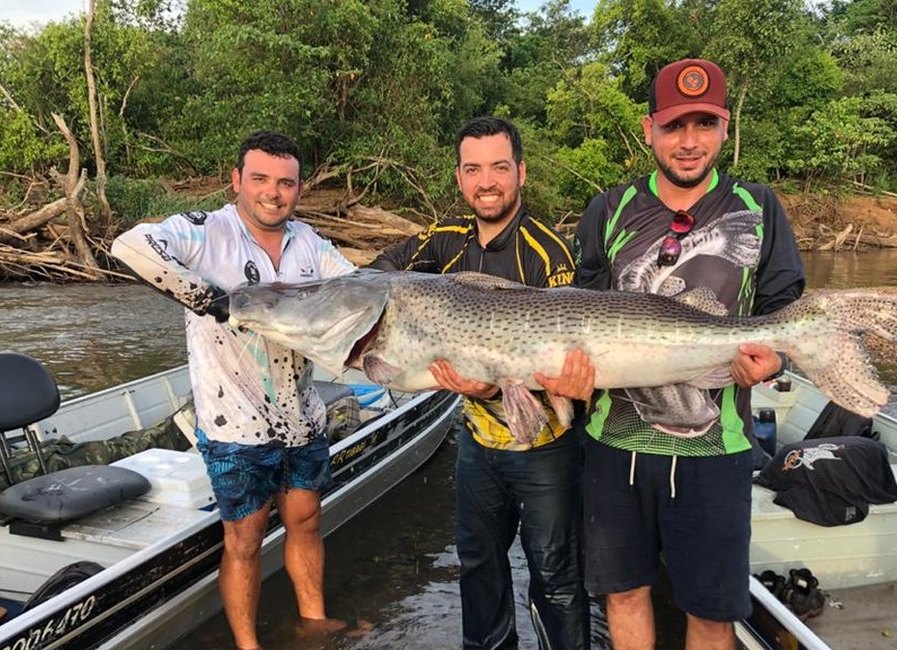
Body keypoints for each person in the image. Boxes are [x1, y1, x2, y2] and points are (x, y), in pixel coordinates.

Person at [568, 59, 806, 648]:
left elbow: (783, 307)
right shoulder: (610, 208)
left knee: (710, 610)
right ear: (650, 130)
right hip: (612, 442)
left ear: (726, 129)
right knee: (623, 593)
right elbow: (580, 311)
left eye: (705, 124)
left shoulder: (758, 204)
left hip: (717, 447)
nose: (690, 141)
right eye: (675, 126)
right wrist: (569, 377)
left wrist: (775, 361)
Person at [111, 131, 360, 650]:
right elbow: (130, 244)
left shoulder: (310, 243)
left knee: (307, 520)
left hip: (303, 416)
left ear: (298, 188)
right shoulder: (205, 233)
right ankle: (248, 646)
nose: (274, 193)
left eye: (286, 182)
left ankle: (314, 621)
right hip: (235, 424)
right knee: (244, 539)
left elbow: (360, 290)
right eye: (261, 179)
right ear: (237, 181)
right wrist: (209, 298)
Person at [369, 116, 589, 650]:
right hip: (478, 443)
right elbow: (382, 275)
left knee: (555, 578)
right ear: (459, 176)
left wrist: (490, 388)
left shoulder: (549, 254)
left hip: (546, 450)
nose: (486, 181)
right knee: (478, 566)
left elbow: (562, 365)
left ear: (521, 172)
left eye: (498, 167)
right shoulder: (444, 238)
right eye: (473, 169)